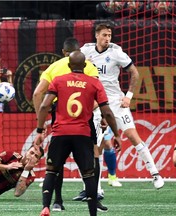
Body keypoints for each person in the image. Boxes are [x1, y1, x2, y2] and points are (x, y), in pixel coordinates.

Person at [34, 50, 121, 216]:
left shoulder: (58, 81)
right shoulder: (94, 83)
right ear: (86, 65)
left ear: (68, 65)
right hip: (83, 133)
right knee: (88, 174)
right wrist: (116, 134)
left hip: (60, 133)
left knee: (52, 170)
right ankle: (92, 213)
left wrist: (39, 130)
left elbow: (45, 106)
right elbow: (107, 111)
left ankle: (46, 206)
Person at [80, 22, 164, 190]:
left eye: (109, 35)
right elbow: (70, 66)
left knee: (133, 136)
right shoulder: (85, 51)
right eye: (104, 35)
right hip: (96, 104)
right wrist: (84, 64)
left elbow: (135, 73)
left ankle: (155, 173)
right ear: (96, 35)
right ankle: (95, 188)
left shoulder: (116, 52)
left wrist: (128, 96)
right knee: (97, 144)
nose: (107, 38)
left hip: (116, 102)